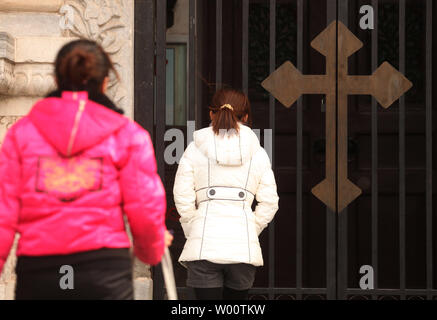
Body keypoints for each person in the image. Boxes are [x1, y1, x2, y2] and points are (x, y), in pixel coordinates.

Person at [0, 39, 173, 300]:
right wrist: (152, 249)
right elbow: (144, 208)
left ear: (57, 81)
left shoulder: (21, 135)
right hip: (104, 271)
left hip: (39, 272)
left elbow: (3, 213)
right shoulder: (127, 135)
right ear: (105, 82)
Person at [173, 88, 279, 300]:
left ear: (211, 113)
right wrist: (250, 227)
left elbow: (182, 195)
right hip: (243, 248)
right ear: (246, 117)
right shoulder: (258, 153)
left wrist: (194, 228)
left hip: (203, 245)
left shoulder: (194, 148)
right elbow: (269, 202)